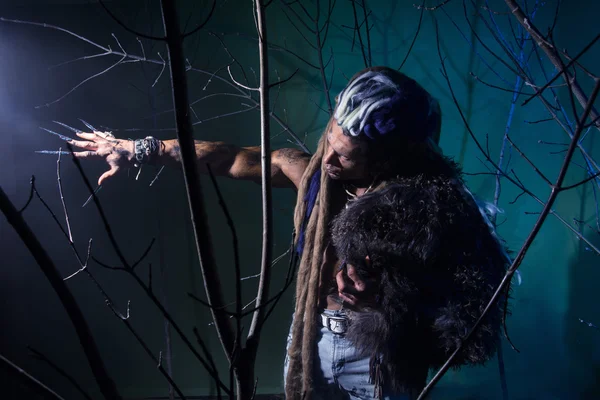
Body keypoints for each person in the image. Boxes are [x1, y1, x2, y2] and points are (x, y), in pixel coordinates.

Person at [66, 67, 508, 399]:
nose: (329, 161)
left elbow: (467, 307)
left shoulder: (432, 213)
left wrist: (389, 297)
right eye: (329, 142)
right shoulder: (317, 175)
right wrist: (140, 148)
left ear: (390, 158)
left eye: (347, 157)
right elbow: (232, 158)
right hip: (310, 337)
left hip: (378, 359)